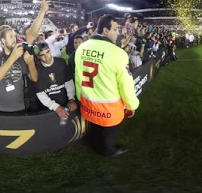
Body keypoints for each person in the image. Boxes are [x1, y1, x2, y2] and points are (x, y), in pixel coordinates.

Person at [74, 14, 140, 157]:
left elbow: (78, 76)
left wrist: (80, 95)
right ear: (105, 30)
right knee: (108, 132)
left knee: (95, 127)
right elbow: (126, 84)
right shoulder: (118, 53)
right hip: (108, 106)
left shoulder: (82, 47)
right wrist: (131, 105)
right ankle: (108, 151)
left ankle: (93, 142)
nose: (118, 33)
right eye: (115, 29)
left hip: (87, 102)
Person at [33, 42, 79, 124]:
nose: (46, 56)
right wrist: (55, 107)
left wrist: (71, 99)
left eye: (47, 52)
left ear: (50, 50)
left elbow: (68, 82)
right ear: (38, 56)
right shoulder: (36, 70)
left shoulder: (61, 62)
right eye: (42, 55)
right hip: (47, 110)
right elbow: (40, 93)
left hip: (66, 104)